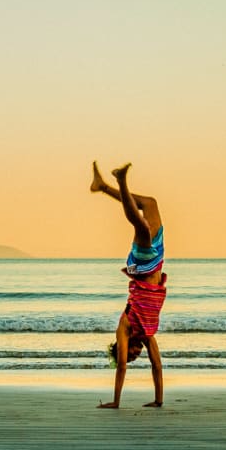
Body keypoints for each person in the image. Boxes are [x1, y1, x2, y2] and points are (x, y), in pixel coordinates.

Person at [91, 161, 166, 409]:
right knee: (150, 203)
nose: (135, 354)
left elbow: (120, 366)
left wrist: (115, 402)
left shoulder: (124, 327)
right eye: (136, 356)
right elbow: (157, 365)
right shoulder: (146, 333)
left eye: (130, 354)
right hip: (155, 263)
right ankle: (102, 186)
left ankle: (120, 180)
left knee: (141, 226)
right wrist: (158, 400)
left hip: (144, 266)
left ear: (121, 348)